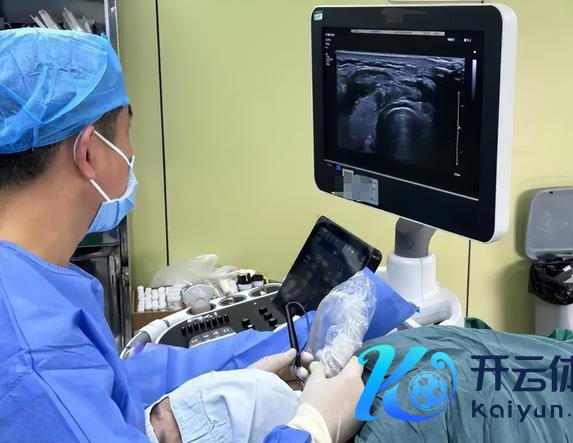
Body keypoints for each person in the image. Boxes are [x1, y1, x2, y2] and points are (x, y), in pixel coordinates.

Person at [0, 28, 363, 442]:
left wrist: (209, 395)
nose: (130, 153)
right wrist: (312, 427)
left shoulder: (34, 282)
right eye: (127, 132)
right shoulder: (36, 360)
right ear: (88, 153)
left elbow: (110, 392)